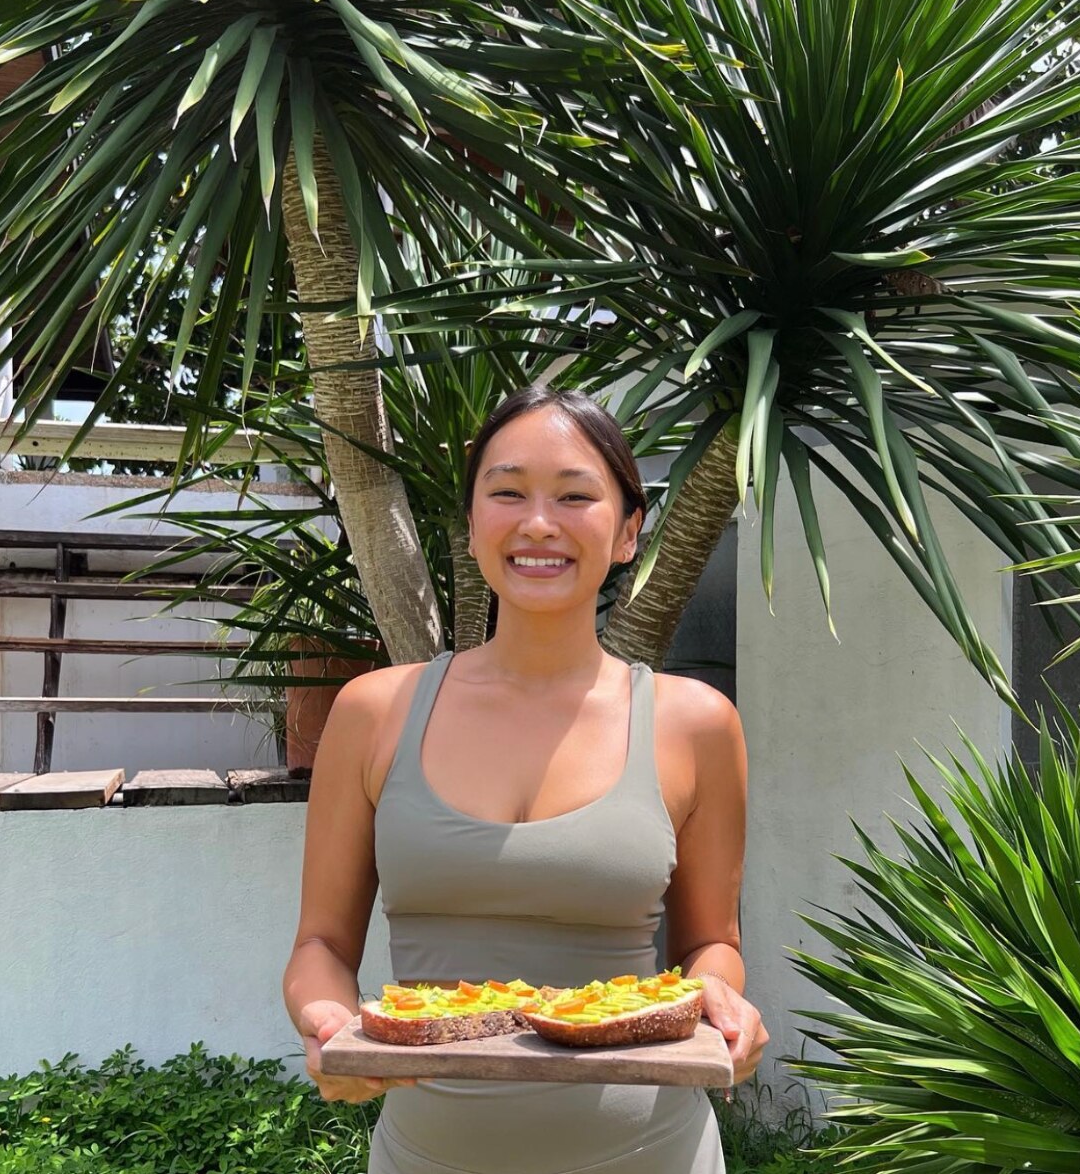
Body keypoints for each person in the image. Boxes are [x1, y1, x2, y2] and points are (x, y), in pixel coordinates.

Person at [282, 386, 768, 1174]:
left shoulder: (695, 723)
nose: (539, 523)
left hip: (652, 1155)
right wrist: (327, 1016)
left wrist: (720, 998)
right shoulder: (374, 712)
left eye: (576, 496)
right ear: (472, 524)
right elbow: (320, 944)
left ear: (628, 532)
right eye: (507, 493)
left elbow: (712, 942)